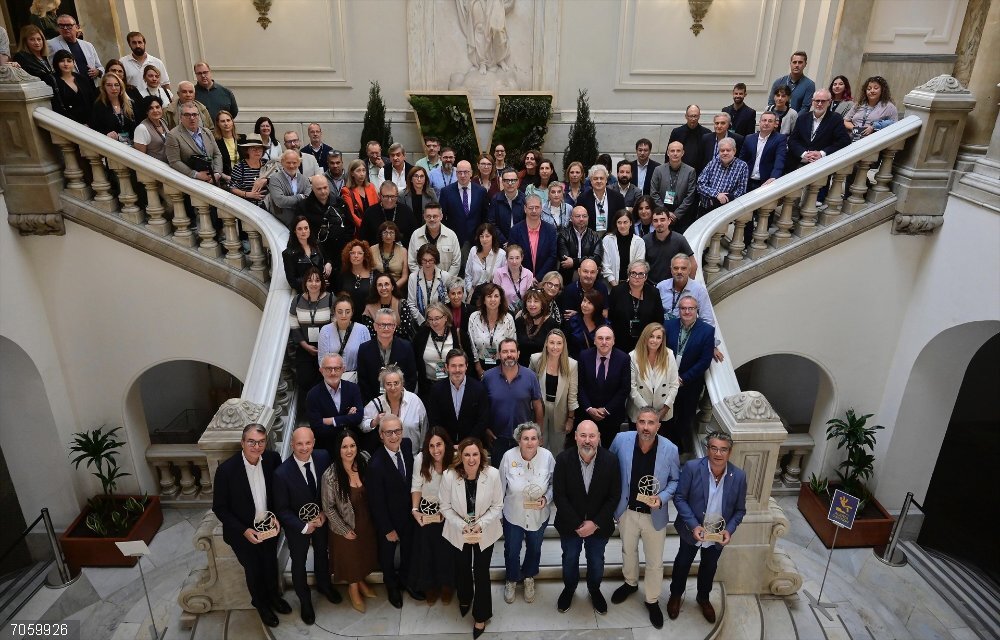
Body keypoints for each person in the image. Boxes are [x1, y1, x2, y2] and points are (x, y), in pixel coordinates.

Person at [608, 408, 681, 629]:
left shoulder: (670, 449)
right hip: (627, 511)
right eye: (642, 422)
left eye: (651, 423)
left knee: (655, 561)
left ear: (658, 426)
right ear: (635, 423)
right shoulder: (621, 440)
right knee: (628, 551)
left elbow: (675, 481)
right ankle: (630, 583)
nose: (646, 427)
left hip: (654, 515)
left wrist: (662, 497)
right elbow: (609, 467)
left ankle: (651, 600)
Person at [212, 424, 288, 628]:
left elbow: (278, 493)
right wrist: (244, 530)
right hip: (243, 532)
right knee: (254, 570)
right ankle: (262, 605)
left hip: (268, 527)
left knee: (270, 564)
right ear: (243, 443)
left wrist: (277, 517)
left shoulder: (272, 460)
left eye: (261, 442)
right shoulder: (226, 470)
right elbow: (219, 508)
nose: (257, 446)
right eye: (252, 442)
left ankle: (274, 598)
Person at [667, 431, 747, 623]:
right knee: (682, 564)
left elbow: (740, 510)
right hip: (691, 530)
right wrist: (693, 525)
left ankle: (703, 598)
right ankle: (675, 595)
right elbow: (679, 498)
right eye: (714, 448)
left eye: (723, 449)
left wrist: (729, 530)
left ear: (730, 451)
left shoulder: (739, 476)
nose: (718, 453)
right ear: (707, 448)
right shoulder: (693, 468)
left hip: (717, 535)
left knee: (709, 567)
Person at [272, 427, 341, 625]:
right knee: (299, 563)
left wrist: (325, 513)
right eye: (299, 444)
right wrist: (303, 526)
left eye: (308, 443)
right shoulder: (281, 474)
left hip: (321, 520)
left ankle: (324, 586)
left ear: (314, 442)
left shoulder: (323, 457)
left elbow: (329, 488)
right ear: (292, 444)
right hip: (298, 529)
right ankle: (305, 601)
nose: (304, 448)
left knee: (322, 553)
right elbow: (282, 509)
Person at [552, 420, 621, 614]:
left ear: (599, 437)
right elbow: (559, 495)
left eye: (592, 436)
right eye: (583, 435)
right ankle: (569, 588)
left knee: (596, 561)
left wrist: (595, 523)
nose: (587, 440)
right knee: (569, 559)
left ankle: (594, 589)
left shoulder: (611, 460)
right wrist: (577, 524)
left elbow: (614, 496)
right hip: (569, 526)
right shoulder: (563, 460)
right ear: (575, 436)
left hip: (599, 526)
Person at [440, 437, 503, 638]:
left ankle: (481, 615)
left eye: (475, 454)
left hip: (485, 531)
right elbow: (445, 507)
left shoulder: (492, 474)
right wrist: (462, 526)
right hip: (459, 532)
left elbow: (497, 506)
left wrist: (479, 524)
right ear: (460, 456)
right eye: (467, 454)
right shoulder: (449, 475)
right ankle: (465, 597)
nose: (471, 459)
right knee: (463, 567)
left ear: (481, 455)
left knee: (481, 572)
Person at [365, 414, 423, 608]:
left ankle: (406, 582)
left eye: (397, 431)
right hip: (388, 521)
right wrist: (387, 529)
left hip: (408, 516)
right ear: (381, 435)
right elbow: (376, 502)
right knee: (387, 558)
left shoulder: (406, 446)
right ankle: (391, 587)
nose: (394, 436)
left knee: (408, 552)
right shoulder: (375, 465)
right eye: (388, 432)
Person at [321, 429, 379, 613]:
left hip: (366, 521)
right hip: (345, 524)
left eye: (352, 445)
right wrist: (343, 529)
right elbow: (328, 508)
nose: (349, 450)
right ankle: (353, 589)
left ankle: (361, 581)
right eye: (344, 446)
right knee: (351, 559)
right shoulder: (330, 475)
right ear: (338, 449)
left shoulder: (365, 459)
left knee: (363, 554)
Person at [499, 422, 555, 605]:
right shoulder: (508, 457)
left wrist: (546, 498)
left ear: (539, 440)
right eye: (525, 439)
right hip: (513, 515)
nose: (530, 443)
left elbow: (555, 484)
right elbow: (499, 487)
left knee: (535, 548)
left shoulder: (547, 457)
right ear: (518, 440)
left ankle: (529, 576)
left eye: (533, 438)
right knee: (512, 550)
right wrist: (497, 515)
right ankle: (512, 579)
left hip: (539, 515)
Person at [409, 427, 457, 605]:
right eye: (431, 446)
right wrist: (415, 511)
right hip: (426, 512)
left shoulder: (454, 458)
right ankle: (430, 586)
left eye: (439, 445)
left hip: (449, 513)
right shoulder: (420, 459)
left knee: (447, 553)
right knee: (427, 552)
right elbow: (416, 486)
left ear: (446, 444)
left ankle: (447, 586)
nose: (436, 450)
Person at [665, 295, 716, 453]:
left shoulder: (707, 331)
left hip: (690, 383)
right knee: (666, 414)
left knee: (685, 417)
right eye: (683, 308)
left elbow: (704, 361)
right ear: (678, 310)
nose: (687, 311)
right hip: (666, 380)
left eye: (690, 308)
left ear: (697, 310)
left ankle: (678, 447)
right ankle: (664, 443)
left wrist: (684, 378)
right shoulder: (667, 326)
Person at [482, 338, 543, 463]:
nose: (509, 355)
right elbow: (482, 408)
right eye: (505, 351)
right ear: (499, 354)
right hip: (497, 439)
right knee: (499, 478)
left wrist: (538, 433)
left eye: (512, 351)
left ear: (518, 354)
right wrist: (485, 429)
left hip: (524, 439)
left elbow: (538, 406)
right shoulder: (488, 377)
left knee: (523, 477)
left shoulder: (530, 376)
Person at [577, 326, 631, 448]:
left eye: (608, 338)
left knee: (609, 452)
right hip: (587, 415)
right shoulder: (584, 356)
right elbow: (579, 386)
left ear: (614, 341)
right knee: (586, 448)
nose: (604, 342)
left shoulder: (624, 358)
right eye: (600, 338)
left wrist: (606, 410)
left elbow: (624, 389)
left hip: (612, 416)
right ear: (594, 341)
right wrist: (589, 408)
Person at [426, 349, 491, 443]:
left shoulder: (479, 389)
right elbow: (434, 421)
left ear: (466, 366)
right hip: (446, 446)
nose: (457, 370)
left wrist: (467, 443)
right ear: (446, 367)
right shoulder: (436, 390)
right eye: (453, 366)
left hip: (472, 445)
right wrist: (447, 444)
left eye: (461, 365)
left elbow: (482, 420)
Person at [287, 265, 333, 396]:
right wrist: (304, 345)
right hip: (304, 346)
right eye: (310, 280)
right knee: (305, 379)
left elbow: (335, 324)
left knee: (324, 380)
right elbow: (293, 323)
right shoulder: (297, 300)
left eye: (317, 280)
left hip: (327, 347)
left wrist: (326, 346)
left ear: (322, 282)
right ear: (305, 283)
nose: (314, 284)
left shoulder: (330, 299)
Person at [628, 322, 680, 438]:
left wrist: (664, 410)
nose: (654, 340)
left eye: (658, 337)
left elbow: (674, 385)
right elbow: (632, 387)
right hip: (639, 411)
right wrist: (647, 414)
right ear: (645, 337)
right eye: (651, 336)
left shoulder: (669, 354)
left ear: (662, 340)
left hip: (663, 413)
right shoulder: (633, 356)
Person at [356, 307, 418, 403]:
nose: (386, 328)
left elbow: (411, 378)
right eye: (382, 325)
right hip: (373, 402)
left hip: (401, 400)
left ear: (395, 326)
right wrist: (375, 403)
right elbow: (363, 381)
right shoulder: (364, 349)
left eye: (389, 325)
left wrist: (400, 399)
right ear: (375, 326)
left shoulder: (406, 347)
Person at [529, 329, 578, 451]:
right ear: (546, 343)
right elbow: (528, 387)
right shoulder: (536, 360)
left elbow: (572, 395)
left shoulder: (572, 364)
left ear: (563, 345)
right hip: (539, 410)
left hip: (561, 411)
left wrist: (570, 419)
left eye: (559, 343)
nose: (555, 347)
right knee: (539, 447)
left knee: (557, 449)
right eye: (551, 342)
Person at [306, 353, 364, 455]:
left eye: (337, 368)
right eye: (328, 369)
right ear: (321, 370)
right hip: (328, 448)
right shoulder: (312, 395)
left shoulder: (353, 388)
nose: (333, 373)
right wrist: (347, 419)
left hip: (353, 446)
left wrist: (332, 420)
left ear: (343, 369)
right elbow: (317, 427)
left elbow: (359, 417)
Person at [440, 159, 490, 271]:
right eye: (459, 172)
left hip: (477, 239)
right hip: (455, 239)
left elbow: (485, 216)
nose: (463, 175)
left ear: (471, 173)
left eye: (466, 172)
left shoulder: (481, 191)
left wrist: (483, 236)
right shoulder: (446, 192)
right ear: (456, 173)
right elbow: (442, 218)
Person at [363, 366, 428, 452]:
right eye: (388, 384)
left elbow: (425, 427)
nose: (393, 387)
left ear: (402, 383)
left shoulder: (414, 400)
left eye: (396, 383)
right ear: (383, 386)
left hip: (414, 455)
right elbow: (362, 424)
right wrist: (374, 422)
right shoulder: (377, 403)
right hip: (388, 459)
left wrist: (422, 450)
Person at [786, 88, 852, 174]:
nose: (820, 104)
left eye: (823, 101)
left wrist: (822, 153)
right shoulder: (802, 118)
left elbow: (844, 141)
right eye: (817, 101)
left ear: (829, 102)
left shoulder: (836, 119)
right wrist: (804, 153)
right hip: (798, 163)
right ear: (812, 101)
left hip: (822, 166)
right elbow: (792, 140)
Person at [298, 175, 350, 278]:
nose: (323, 191)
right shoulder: (303, 206)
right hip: (317, 254)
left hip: (340, 252)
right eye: (319, 189)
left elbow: (349, 226)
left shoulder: (340, 202)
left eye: (325, 187)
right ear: (312, 188)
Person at [607, 259, 663, 354]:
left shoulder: (654, 293)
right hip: (620, 341)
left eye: (641, 274)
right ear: (629, 275)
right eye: (633, 273)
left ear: (646, 277)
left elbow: (659, 319)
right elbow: (611, 317)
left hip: (645, 342)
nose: (637, 277)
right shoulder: (617, 291)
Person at [657, 253, 719, 329]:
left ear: (689, 270)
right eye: (676, 268)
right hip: (663, 333)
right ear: (671, 270)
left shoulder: (699, 290)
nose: (679, 271)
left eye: (683, 268)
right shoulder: (661, 287)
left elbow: (707, 321)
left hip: (687, 334)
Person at [467, 282, 516, 377]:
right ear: (484, 300)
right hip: (479, 365)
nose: (493, 299)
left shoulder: (508, 318)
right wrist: (478, 368)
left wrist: (505, 370)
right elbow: (471, 345)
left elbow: (512, 344)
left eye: (496, 296)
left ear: (501, 299)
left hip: (503, 365)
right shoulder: (474, 317)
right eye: (489, 296)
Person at [165, 102, 222, 183]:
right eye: (187, 115)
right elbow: (174, 161)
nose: (192, 118)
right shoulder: (173, 135)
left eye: (194, 114)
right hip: (193, 183)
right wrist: (196, 175)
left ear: (199, 116)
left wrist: (217, 173)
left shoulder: (207, 132)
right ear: (181, 117)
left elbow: (217, 154)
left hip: (213, 180)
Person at [317, 295, 369, 382]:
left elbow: (367, 359)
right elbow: (322, 359)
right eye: (340, 312)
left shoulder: (362, 330)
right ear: (334, 312)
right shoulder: (325, 330)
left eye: (347, 312)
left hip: (356, 378)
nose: (343, 315)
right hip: (332, 378)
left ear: (352, 312)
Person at [411, 302, 461, 392]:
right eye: (430, 319)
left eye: (437, 318)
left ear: (445, 317)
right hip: (427, 386)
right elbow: (415, 360)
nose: (434, 322)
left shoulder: (456, 334)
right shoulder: (421, 335)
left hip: (451, 385)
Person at [650, 141, 699, 231]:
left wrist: (676, 215)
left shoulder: (690, 171)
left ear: (683, 153)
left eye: (678, 151)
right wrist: (665, 213)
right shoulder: (658, 170)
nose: (675, 154)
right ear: (668, 153)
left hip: (682, 216)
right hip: (661, 213)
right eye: (672, 151)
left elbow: (690, 196)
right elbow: (653, 193)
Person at [696, 138, 749, 218]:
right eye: (722, 150)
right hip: (705, 208)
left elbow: (741, 190)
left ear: (734, 151)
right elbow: (700, 184)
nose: (725, 153)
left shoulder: (742, 166)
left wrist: (725, 198)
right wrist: (716, 194)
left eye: (728, 150)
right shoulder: (713, 163)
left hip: (725, 210)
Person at [408, 203, 461, 280]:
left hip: (445, 284)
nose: (432, 219)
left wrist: (445, 281)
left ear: (441, 216)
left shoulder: (451, 235)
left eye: (435, 216)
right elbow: (412, 262)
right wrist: (422, 279)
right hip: (421, 282)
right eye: (428, 216)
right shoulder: (416, 235)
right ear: (424, 217)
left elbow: (456, 263)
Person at [509, 194, 558, 277]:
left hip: (544, 279)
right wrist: (526, 277)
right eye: (531, 208)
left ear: (541, 208)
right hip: (521, 278)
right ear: (525, 209)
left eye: (537, 207)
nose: (534, 211)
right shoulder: (515, 230)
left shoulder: (550, 230)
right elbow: (513, 256)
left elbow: (552, 256)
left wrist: (538, 278)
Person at [360, 272, 418, 341]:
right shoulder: (369, 308)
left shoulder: (402, 304)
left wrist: (381, 327)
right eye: (380, 285)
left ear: (392, 287)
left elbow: (406, 331)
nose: (383, 288)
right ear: (376, 288)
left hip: (399, 345)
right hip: (377, 346)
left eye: (386, 284)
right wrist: (392, 328)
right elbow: (370, 334)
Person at [47, 14, 102, 85]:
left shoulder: (88, 45)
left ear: (77, 27)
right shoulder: (51, 44)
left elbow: (100, 67)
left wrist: (98, 71)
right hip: (70, 88)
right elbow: (51, 68)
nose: (65, 28)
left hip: (91, 86)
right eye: (61, 26)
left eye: (69, 25)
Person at [740, 111, 788, 192]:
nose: (766, 123)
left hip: (766, 182)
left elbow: (780, 159)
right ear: (759, 122)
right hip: (747, 181)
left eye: (770, 121)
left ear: (775, 124)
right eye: (764, 120)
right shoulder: (749, 138)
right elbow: (742, 159)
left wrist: (774, 177)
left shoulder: (780, 139)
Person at [361, 181, 418, 247]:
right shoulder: (370, 212)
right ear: (380, 195)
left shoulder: (406, 211)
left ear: (397, 195)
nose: (389, 200)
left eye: (392, 196)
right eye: (386, 196)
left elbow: (414, 237)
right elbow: (363, 239)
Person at [407, 244, 453, 325]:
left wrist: (437, 320)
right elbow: (411, 304)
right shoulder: (413, 277)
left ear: (435, 260)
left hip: (441, 322)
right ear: (420, 260)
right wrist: (423, 322)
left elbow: (447, 302)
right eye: (424, 260)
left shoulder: (445, 276)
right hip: (420, 324)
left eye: (431, 260)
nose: (427, 264)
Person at [644, 208, 694, 283]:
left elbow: (693, 264)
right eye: (655, 220)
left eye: (662, 220)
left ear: (669, 221)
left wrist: (688, 286)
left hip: (673, 287)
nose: (659, 223)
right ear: (652, 223)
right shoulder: (645, 240)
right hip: (651, 287)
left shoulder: (679, 239)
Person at [557, 206, 602, 286]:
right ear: (571, 218)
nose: (581, 219)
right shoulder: (563, 235)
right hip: (568, 278)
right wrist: (587, 260)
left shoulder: (595, 236)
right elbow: (565, 261)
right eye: (578, 216)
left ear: (588, 218)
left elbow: (597, 259)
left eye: (584, 216)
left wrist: (574, 262)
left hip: (590, 277)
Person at [844, 75, 899, 141]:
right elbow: (846, 120)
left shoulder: (890, 107)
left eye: (876, 88)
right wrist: (854, 128)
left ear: (882, 90)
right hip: (851, 138)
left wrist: (874, 127)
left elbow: (894, 126)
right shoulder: (859, 103)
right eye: (869, 89)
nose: (872, 91)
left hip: (872, 141)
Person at [282, 217, 330, 291]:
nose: (304, 231)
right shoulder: (288, 254)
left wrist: (328, 263)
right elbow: (292, 282)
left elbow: (327, 259)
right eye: (300, 229)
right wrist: (314, 282)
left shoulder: (317, 244)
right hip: (305, 292)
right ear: (295, 231)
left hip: (323, 288)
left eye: (306, 228)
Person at [515, 287, 560, 366]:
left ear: (542, 304)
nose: (532, 304)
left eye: (536, 301)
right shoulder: (519, 321)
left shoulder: (551, 323)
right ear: (525, 304)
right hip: (521, 366)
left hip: (543, 366)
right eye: (529, 301)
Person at [575, 165, 626, 234]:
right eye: (595, 178)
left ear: (606, 180)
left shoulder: (618, 198)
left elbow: (622, 218)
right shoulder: (582, 199)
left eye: (601, 178)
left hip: (612, 237)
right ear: (591, 181)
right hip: (590, 238)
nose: (599, 181)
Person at [602, 209, 645, 289]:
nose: (622, 226)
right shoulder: (607, 240)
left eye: (625, 222)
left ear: (631, 223)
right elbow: (605, 265)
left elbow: (638, 265)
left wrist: (628, 285)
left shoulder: (639, 242)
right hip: (611, 286)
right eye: (619, 222)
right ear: (616, 224)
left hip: (632, 285)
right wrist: (615, 286)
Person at [464, 223, 506, 304]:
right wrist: (470, 290)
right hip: (475, 296)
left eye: (487, 236)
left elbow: (504, 278)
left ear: (493, 237)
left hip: (493, 298)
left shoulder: (501, 254)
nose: (484, 239)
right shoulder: (473, 251)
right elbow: (468, 274)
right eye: (481, 236)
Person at [268, 151, 311, 227]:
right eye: (288, 162)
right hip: (281, 224)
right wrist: (300, 197)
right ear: (282, 162)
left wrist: (288, 201)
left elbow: (309, 200)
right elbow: (280, 201)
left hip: (301, 224)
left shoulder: (304, 179)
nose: (291, 166)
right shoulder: (275, 179)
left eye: (294, 162)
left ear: (299, 163)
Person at [89, 72, 135, 144]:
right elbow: (94, 129)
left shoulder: (129, 103)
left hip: (132, 145)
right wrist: (106, 134)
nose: (113, 88)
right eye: (109, 85)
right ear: (104, 87)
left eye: (116, 85)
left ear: (121, 86)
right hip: (111, 145)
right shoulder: (99, 106)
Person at [565, 288, 608, 359]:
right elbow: (566, 343)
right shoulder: (573, 321)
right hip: (576, 362)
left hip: (596, 363)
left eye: (590, 303)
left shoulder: (604, 324)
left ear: (597, 306)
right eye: (584, 300)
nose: (585, 305)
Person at [492, 243, 534, 315]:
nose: (514, 261)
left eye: (517, 258)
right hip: (503, 312)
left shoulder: (528, 274)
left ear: (522, 258)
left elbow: (529, 297)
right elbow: (496, 296)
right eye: (511, 258)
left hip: (523, 313)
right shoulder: (498, 273)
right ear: (507, 258)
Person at [14, 25, 57, 95]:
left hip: (52, 94)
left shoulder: (46, 57)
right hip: (37, 95)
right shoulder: (21, 57)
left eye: (39, 39)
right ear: (25, 42)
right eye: (32, 39)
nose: (37, 43)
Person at [488, 167, 526, 243]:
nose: (510, 183)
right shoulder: (495, 199)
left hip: (521, 242)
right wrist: (504, 242)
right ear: (502, 182)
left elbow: (527, 223)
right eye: (507, 180)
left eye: (513, 180)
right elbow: (492, 223)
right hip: (500, 243)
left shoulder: (525, 200)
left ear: (518, 182)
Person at [341, 158, 379, 236]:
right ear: (352, 173)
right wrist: (365, 226)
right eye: (358, 171)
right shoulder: (346, 190)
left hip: (374, 228)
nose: (362, 174)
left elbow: (377, 207)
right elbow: (351, 214)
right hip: (359, 231)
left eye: (363, 170)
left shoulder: (371, 187)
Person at [230, 137, 270, 210]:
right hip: (246, 207)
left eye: (260, 149)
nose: (257, 151)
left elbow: (276, 180)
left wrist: (266, 180)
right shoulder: (240, 166)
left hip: (267, 207)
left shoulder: (267, 164)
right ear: (247, 150)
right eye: (253, 149)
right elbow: (232, 188)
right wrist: (248, 194)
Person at [370, 221, 409, 295]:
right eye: (385, 233)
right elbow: (368, 272)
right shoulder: (372, 249)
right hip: (376, 289)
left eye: (391, 233)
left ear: (395, 235)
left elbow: (404, 276)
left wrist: (392, 289)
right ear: (381, 235)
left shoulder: (403, 251)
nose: (388, 236)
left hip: (396, 288)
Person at [668, 105, 711, 169]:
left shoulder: (707, 133)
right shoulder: (677, 132)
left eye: (695, 116)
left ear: (699, 116)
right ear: (686, 116)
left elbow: (708, 155)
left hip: (700, 171)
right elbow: (669, 152)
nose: (693, 119)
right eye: (691, 116)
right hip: (679, 170)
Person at [132, 95, 169, 162]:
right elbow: (140, 158)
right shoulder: (142, 129)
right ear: (146, 111)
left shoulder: (163, 121)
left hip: (168, 165)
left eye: (157, 107)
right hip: (154, 168)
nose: (155, 110)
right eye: (151, 108)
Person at [214, 110, 240, 182]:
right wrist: (227, 177)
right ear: (218, 124)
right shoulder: (215, 142)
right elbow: (214, 165)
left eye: (228, 120)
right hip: (226, 180)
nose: (226, 123)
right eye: (222, 121)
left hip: (243, 179)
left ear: (232, 122)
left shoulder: (242, 139)